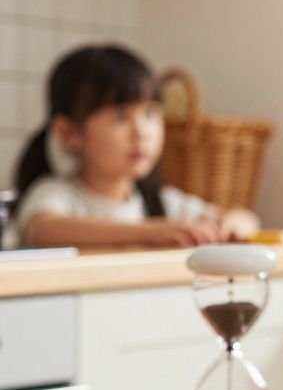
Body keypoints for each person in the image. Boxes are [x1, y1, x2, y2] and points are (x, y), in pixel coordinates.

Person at [8, 45, 260, 249]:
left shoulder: (159, 202)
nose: (141, 133)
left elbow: (246, 219)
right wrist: (152, 232)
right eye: (120, 116)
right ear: (68, 133)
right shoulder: (55, 194)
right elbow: (43, 229)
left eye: (150, 113)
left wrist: (228, 226)